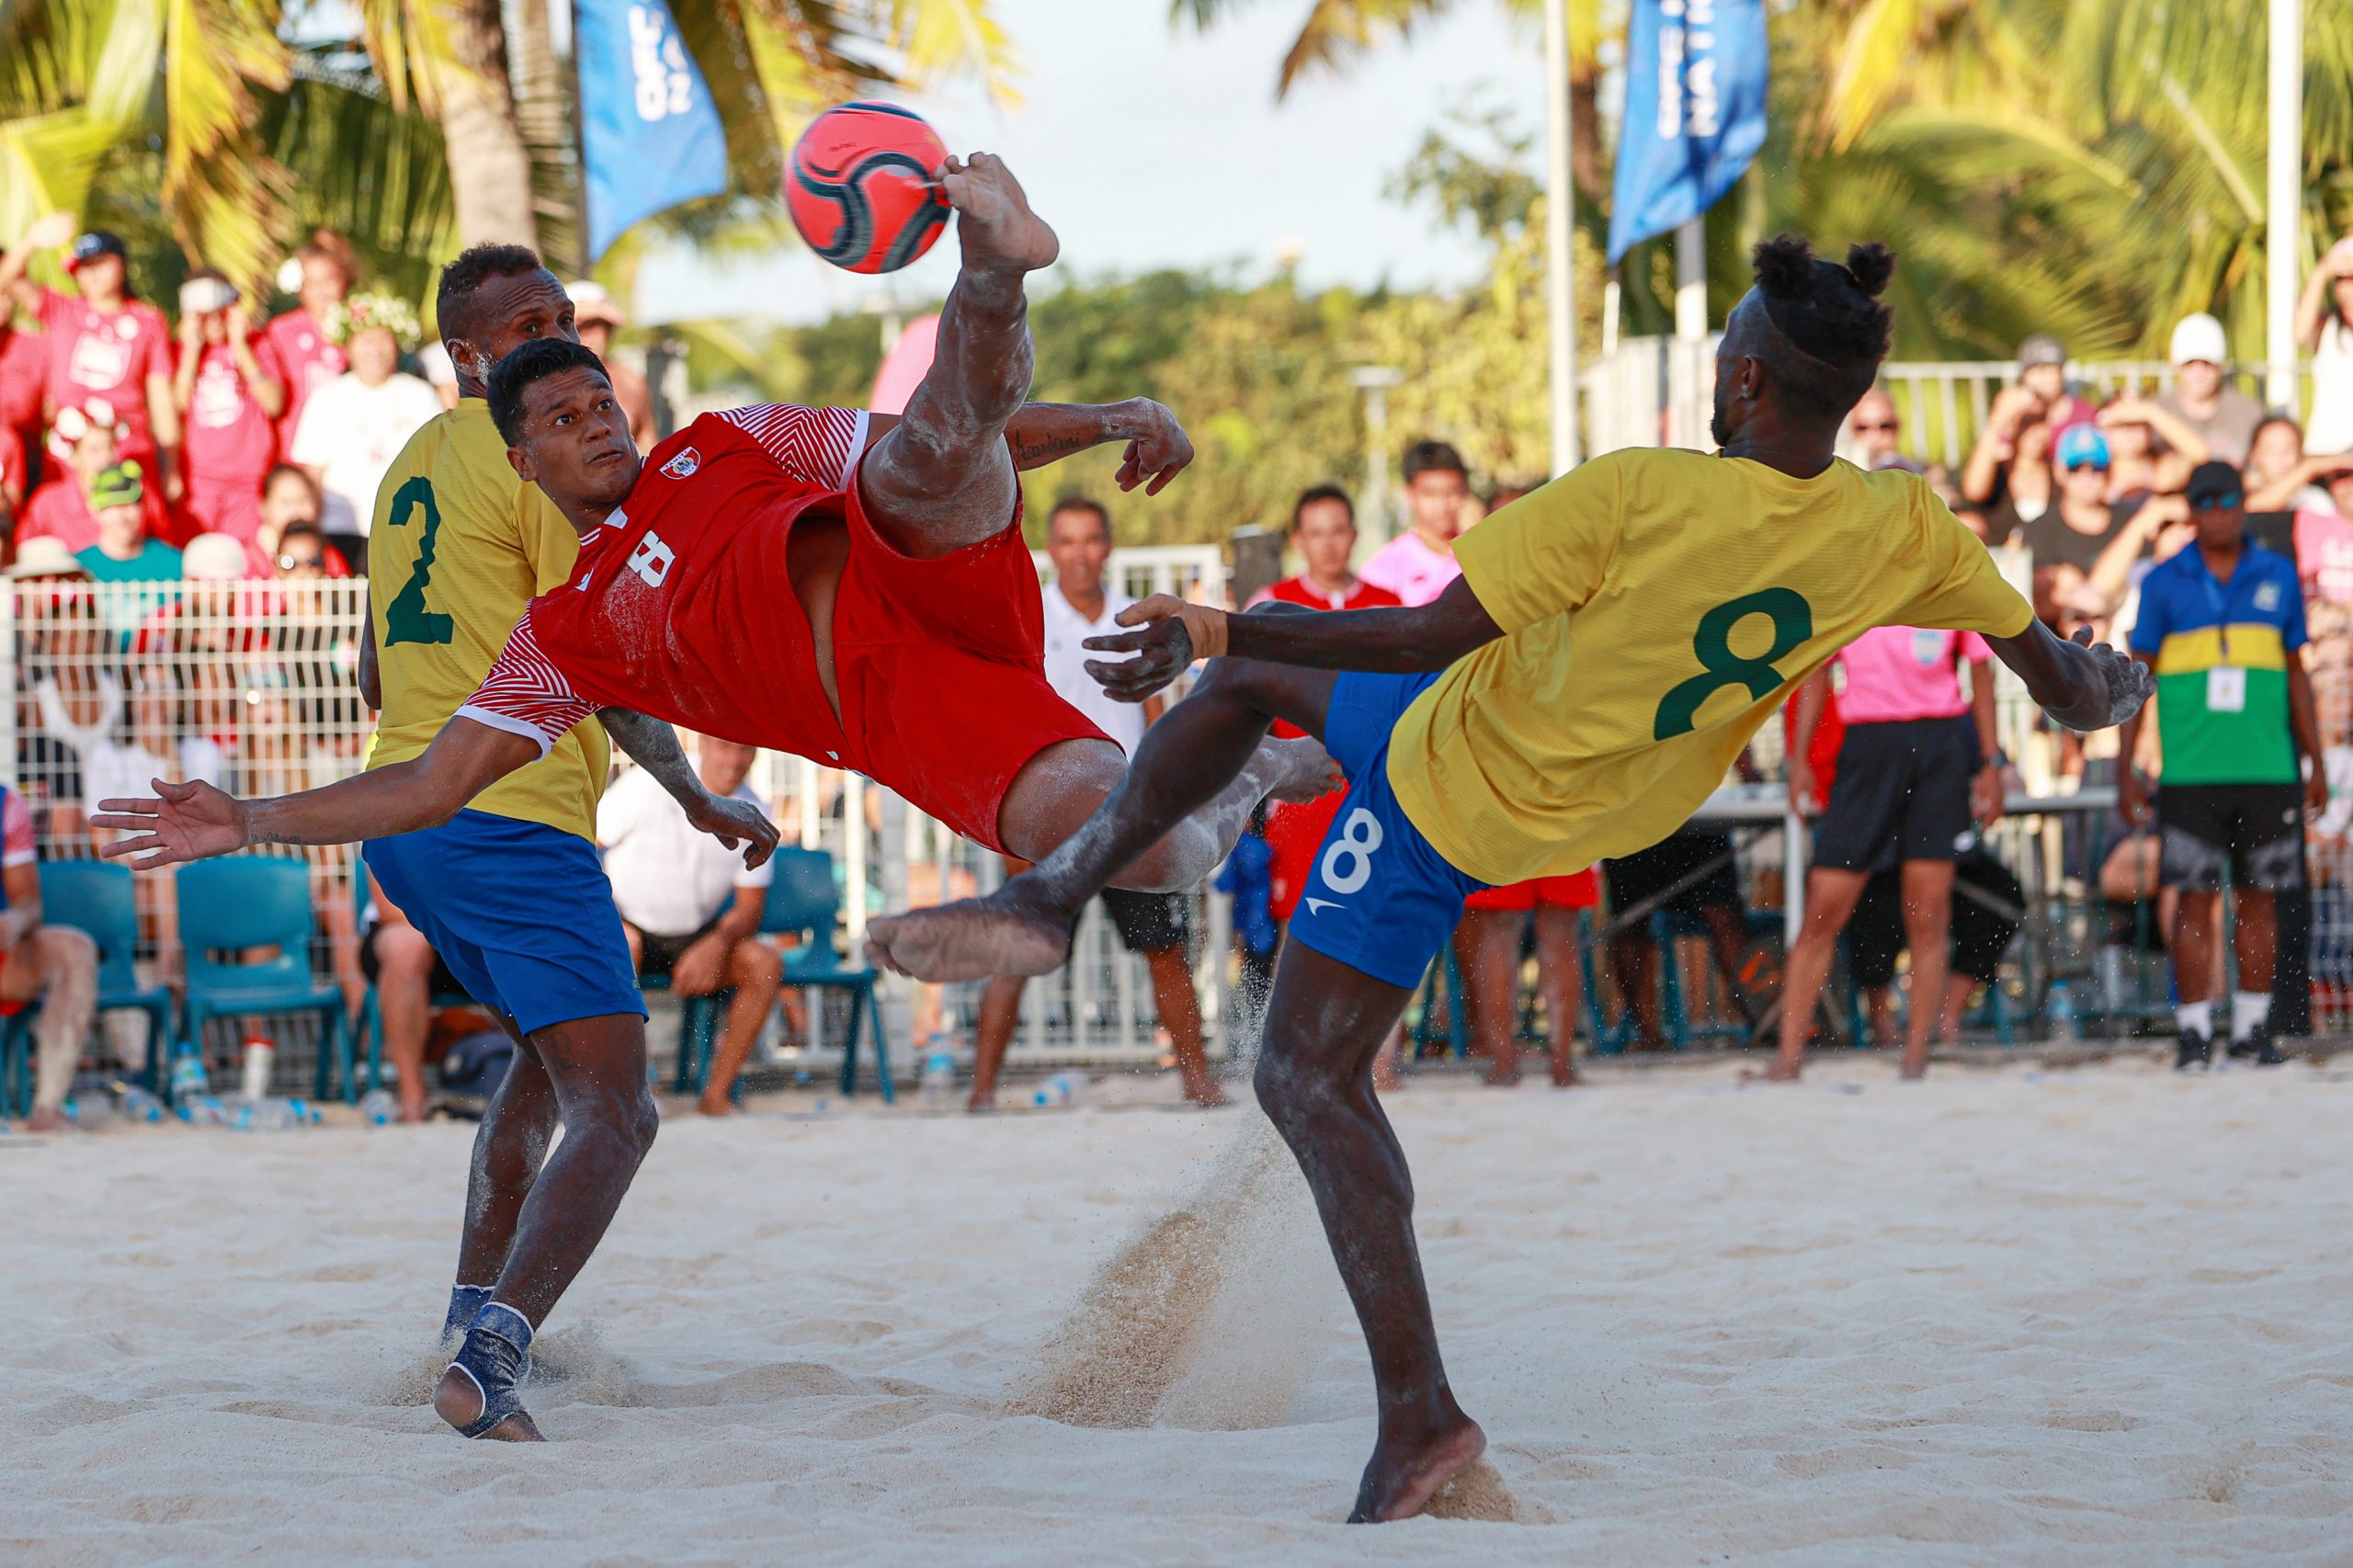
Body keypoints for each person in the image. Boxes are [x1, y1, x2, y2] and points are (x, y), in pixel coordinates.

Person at [867, 236, 2152, 1522]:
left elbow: (1429, 626)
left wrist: (1224, 620)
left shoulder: (1642, 492)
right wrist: (2110, 679)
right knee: (1261, 694)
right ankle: (1111, 859)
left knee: (1302, 1070)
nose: (1715, 368)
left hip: (1458, 781)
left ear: (1749, 382)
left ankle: (1421, 1415)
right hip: (1568, 794)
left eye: (1724, 354)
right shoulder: (1901, 527)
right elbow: (2063, 681)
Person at [92, 160, 1328, 1439]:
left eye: (598, 395)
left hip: (917, 563)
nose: (596, 418)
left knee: (926, 454)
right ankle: (1271, 764)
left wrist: (1116, 411)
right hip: (913, 714)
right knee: (1162, 846)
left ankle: (997, 268)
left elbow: (949, 438)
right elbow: (429, 778)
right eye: (561, 417)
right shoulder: (571, 632)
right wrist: (249, 817)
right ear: (518, 458)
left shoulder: (722, 437)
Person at [108, 241, 781, 1446]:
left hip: (416, 823)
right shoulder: (528, 451)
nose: (551, 334)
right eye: (523, 324)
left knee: (541, 1056)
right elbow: (600, 655)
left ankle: (472, 1307)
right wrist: (695, 793)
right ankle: (488, 1356)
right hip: (502, 819)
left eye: (559, 315)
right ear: (467, 357)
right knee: (620, 1110)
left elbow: (374, 661)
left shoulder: (411, 461)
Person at [969, 495, 1222, 1110]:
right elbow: (1001, 721)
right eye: (1067, 541)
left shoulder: (1136, 621)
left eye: (1090, 540)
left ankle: (1199, 1085)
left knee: (1166, 951)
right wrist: (1005, 829)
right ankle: (980, 1095)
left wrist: (1170, 804)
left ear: (1106, 546)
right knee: (1019, 953)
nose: (1079, 553)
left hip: (1127, 814)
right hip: (1046, 818)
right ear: (1050, 549)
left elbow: (1157, 716)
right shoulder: (1027, 617)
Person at [2119, 460, 2324, 1069]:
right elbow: (2136, 676)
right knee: (2192, 902)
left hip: (2267, 767)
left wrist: (2314, 759)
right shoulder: (2162, 582)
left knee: (2259, 902)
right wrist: (2125, 767)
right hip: (2190, 772)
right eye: (2203, 502)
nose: (2216, 512)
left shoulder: (2278, 575)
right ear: (2190, 508)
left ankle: (2252, 1031)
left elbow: (2296, 674)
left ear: (2243, 503)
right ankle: (2193, 1032)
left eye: (2227, 500)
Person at [1773, 619, 2006, 1080]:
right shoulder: (1854, 576)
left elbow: (1981, 671)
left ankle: (1915, 1058)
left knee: (1927, 912)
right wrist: (1798, 761)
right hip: (1868, 745)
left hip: (1939, 746)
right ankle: (1786, 1059)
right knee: (1823, 906)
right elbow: (1816, 669)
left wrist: (1990, 762)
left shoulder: (1945, 572)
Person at [597, 735, 783, 1117]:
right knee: (620, 945)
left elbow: (750, 910)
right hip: (624, 922)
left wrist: (716, 943)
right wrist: (607, 917)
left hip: (697, 934)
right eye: (726, 746)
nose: (735, 759)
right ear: (703, 744)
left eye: (746, 748)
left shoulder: (754, 808)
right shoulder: (647, 784)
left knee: (764, 965)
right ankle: (635, 1091)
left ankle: (717, 1095)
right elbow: (584, 844)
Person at [0, 215, 182, 503]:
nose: (93, 274)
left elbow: (161, 401)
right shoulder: (61, 311)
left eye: (101, 263)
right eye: (84, 267)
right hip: (67, 452)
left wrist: (171, 468)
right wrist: (31, 242)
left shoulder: (148, 322)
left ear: (122, 264)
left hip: (126, 448)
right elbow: (5, 281)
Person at [290, 292, 441, 573]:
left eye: (382, 339)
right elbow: (312, 473)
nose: (375, 349)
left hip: (405, 531)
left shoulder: (420, 395)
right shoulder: (327, 397)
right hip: (340, 529)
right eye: (365, 340)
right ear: (347, 346)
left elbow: (435, 465)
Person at [1600, 829, 1760, 1050]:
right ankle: (1649, 1037)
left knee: (1726, 920)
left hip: (1695, 826)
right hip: (1635, 826)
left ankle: (1762, 1022)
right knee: (1630, 924)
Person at [0, 779, 98, 1133]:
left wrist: (14, 921)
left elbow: (29, 902)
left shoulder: (6, 805)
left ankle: (47, 1108)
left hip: (5, 960)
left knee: (75, 948)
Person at [173, 271, 287, 548]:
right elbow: (175, 406)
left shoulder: (259, 346)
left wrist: (240, 345)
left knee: (243, 565)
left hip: (248, 485)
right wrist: (191, 351)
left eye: (220, 312)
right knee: (198, 562)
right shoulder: (179, 351)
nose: (212, 321)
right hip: (198, 485)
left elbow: (273, 403)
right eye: (202, 315)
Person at [360, 870, 477, 1122]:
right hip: (409, 930)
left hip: (471, 931)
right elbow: (391, 911)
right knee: (405, 947)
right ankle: (412, 1095)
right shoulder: (386, 833)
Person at [263, 229, 357, 447]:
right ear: (300, 287)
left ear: (344, 279)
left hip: (347, 447)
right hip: (295, 448)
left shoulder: (360, 324)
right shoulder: (281, 330)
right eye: (312, 282)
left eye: (329, 280)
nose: (321, 290)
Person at [1358, 440, 1470, 607]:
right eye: (1430, 494)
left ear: (1464, 491)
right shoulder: (1383, 572)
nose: (1442, 505)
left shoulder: (1480, 557)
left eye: (1451, 492)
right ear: (1409, 495)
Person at [2154, 313, 2264, 467]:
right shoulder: (2155, 409)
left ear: (2220, 365)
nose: (2199, 373)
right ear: (2175, 365)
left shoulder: (2249, 412)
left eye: (2207, 364)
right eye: (2190, 364)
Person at [568, 282, 655, 448]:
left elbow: (651, 449)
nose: (590, 335)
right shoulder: (542, 390)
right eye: (580, 326)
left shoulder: (631, 384)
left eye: (598, 325)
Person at [2292, 233, 2353, 457]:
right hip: (2326, 450)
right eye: (2342, 279)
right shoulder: (2327, 326)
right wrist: (2322, 271)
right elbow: (2300, 333)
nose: (2348, 287)